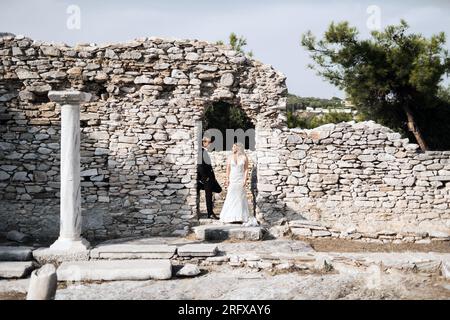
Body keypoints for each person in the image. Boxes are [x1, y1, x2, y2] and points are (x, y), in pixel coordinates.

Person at [220, 143, 250, 223]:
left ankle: (240, 217)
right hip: (232, 179)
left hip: (240, 178)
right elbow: (228, 169)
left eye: (233, 147)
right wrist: (227, 179)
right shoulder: (230, 157)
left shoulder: (244, 157)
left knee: (240, 197)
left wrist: (245, 180)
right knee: (231, 196)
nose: (232, 148)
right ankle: (230, 217)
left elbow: (246, 169)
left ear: (238, 148)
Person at [197, 136, 221, 219]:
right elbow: (200, 166)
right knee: (208, 195)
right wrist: (205, 178)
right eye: (209, 142)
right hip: (206, 178)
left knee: (218, 189)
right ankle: (210, 213)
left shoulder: (204, 151)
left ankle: (210, 212)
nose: (210, 144)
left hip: (210, 178)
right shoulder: (201, 151)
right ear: (204, 143)